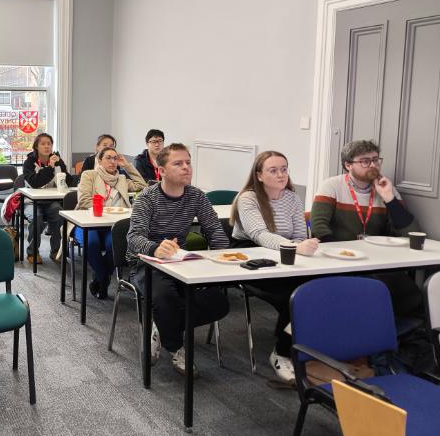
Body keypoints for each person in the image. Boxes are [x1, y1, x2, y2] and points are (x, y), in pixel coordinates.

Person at [127, 143, 229, 375]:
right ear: (161, 170)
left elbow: (214, 229)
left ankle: (161, 329)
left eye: (188, 162)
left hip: (180, 263)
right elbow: (133, 237)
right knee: (165, 298)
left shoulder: (195, 196)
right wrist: (154, 248)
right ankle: (176, 347)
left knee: (218, 302)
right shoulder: (147, 198)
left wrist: (223, 257)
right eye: (178, 163)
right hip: (146, 263)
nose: (186, 168)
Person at [230, 151, 320, 383]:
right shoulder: (248, 198)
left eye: (284, 169)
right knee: (295, 297)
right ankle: (281, 353)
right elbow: (259, 235)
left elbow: (300, 235)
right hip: (251, 258)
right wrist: (293, 247)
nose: (281, 174)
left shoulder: (291, 198)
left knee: (316, 291)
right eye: (273, 170)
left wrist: (302, 245)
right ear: (259, 175)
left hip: (285, 257)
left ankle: (300, 345)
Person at [311, 138, 422, 315]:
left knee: (408, 292)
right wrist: (341, 255)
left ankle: (396, 335)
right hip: (339, 259)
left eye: (376, 159)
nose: (373, 165)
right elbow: (318, 227)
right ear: (348, 165)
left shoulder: (386, 188)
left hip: (377, 260)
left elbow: (411, 232)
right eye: (365, 161)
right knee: (371, 289)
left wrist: (389, 199)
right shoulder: (332, 185)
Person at [76, 146, 146, 299]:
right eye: (108, 157)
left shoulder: (121, 178)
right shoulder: (90, 175)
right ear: (99, 160)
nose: (113, 161)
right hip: (89, 221)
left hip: (113, 225)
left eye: (115, 158)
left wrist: (127, 165)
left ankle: (99, 279)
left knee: (114, 246)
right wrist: (107, 210)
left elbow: (142, 185)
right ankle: (103, 277)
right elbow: (84, 201)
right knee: (92, 244)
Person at [22, 133, 73, 265]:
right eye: (43, 144)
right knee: (36, 217)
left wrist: (60, 166)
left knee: (59, 214)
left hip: (51, 200)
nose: (46, 146)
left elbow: (69, 182)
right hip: (31, 201)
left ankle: (56, 251)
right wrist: (50, 167)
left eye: (49, 144)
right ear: (36, 146)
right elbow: (35, 183)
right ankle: (32, 252)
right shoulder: (29, 162)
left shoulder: (57, 159)